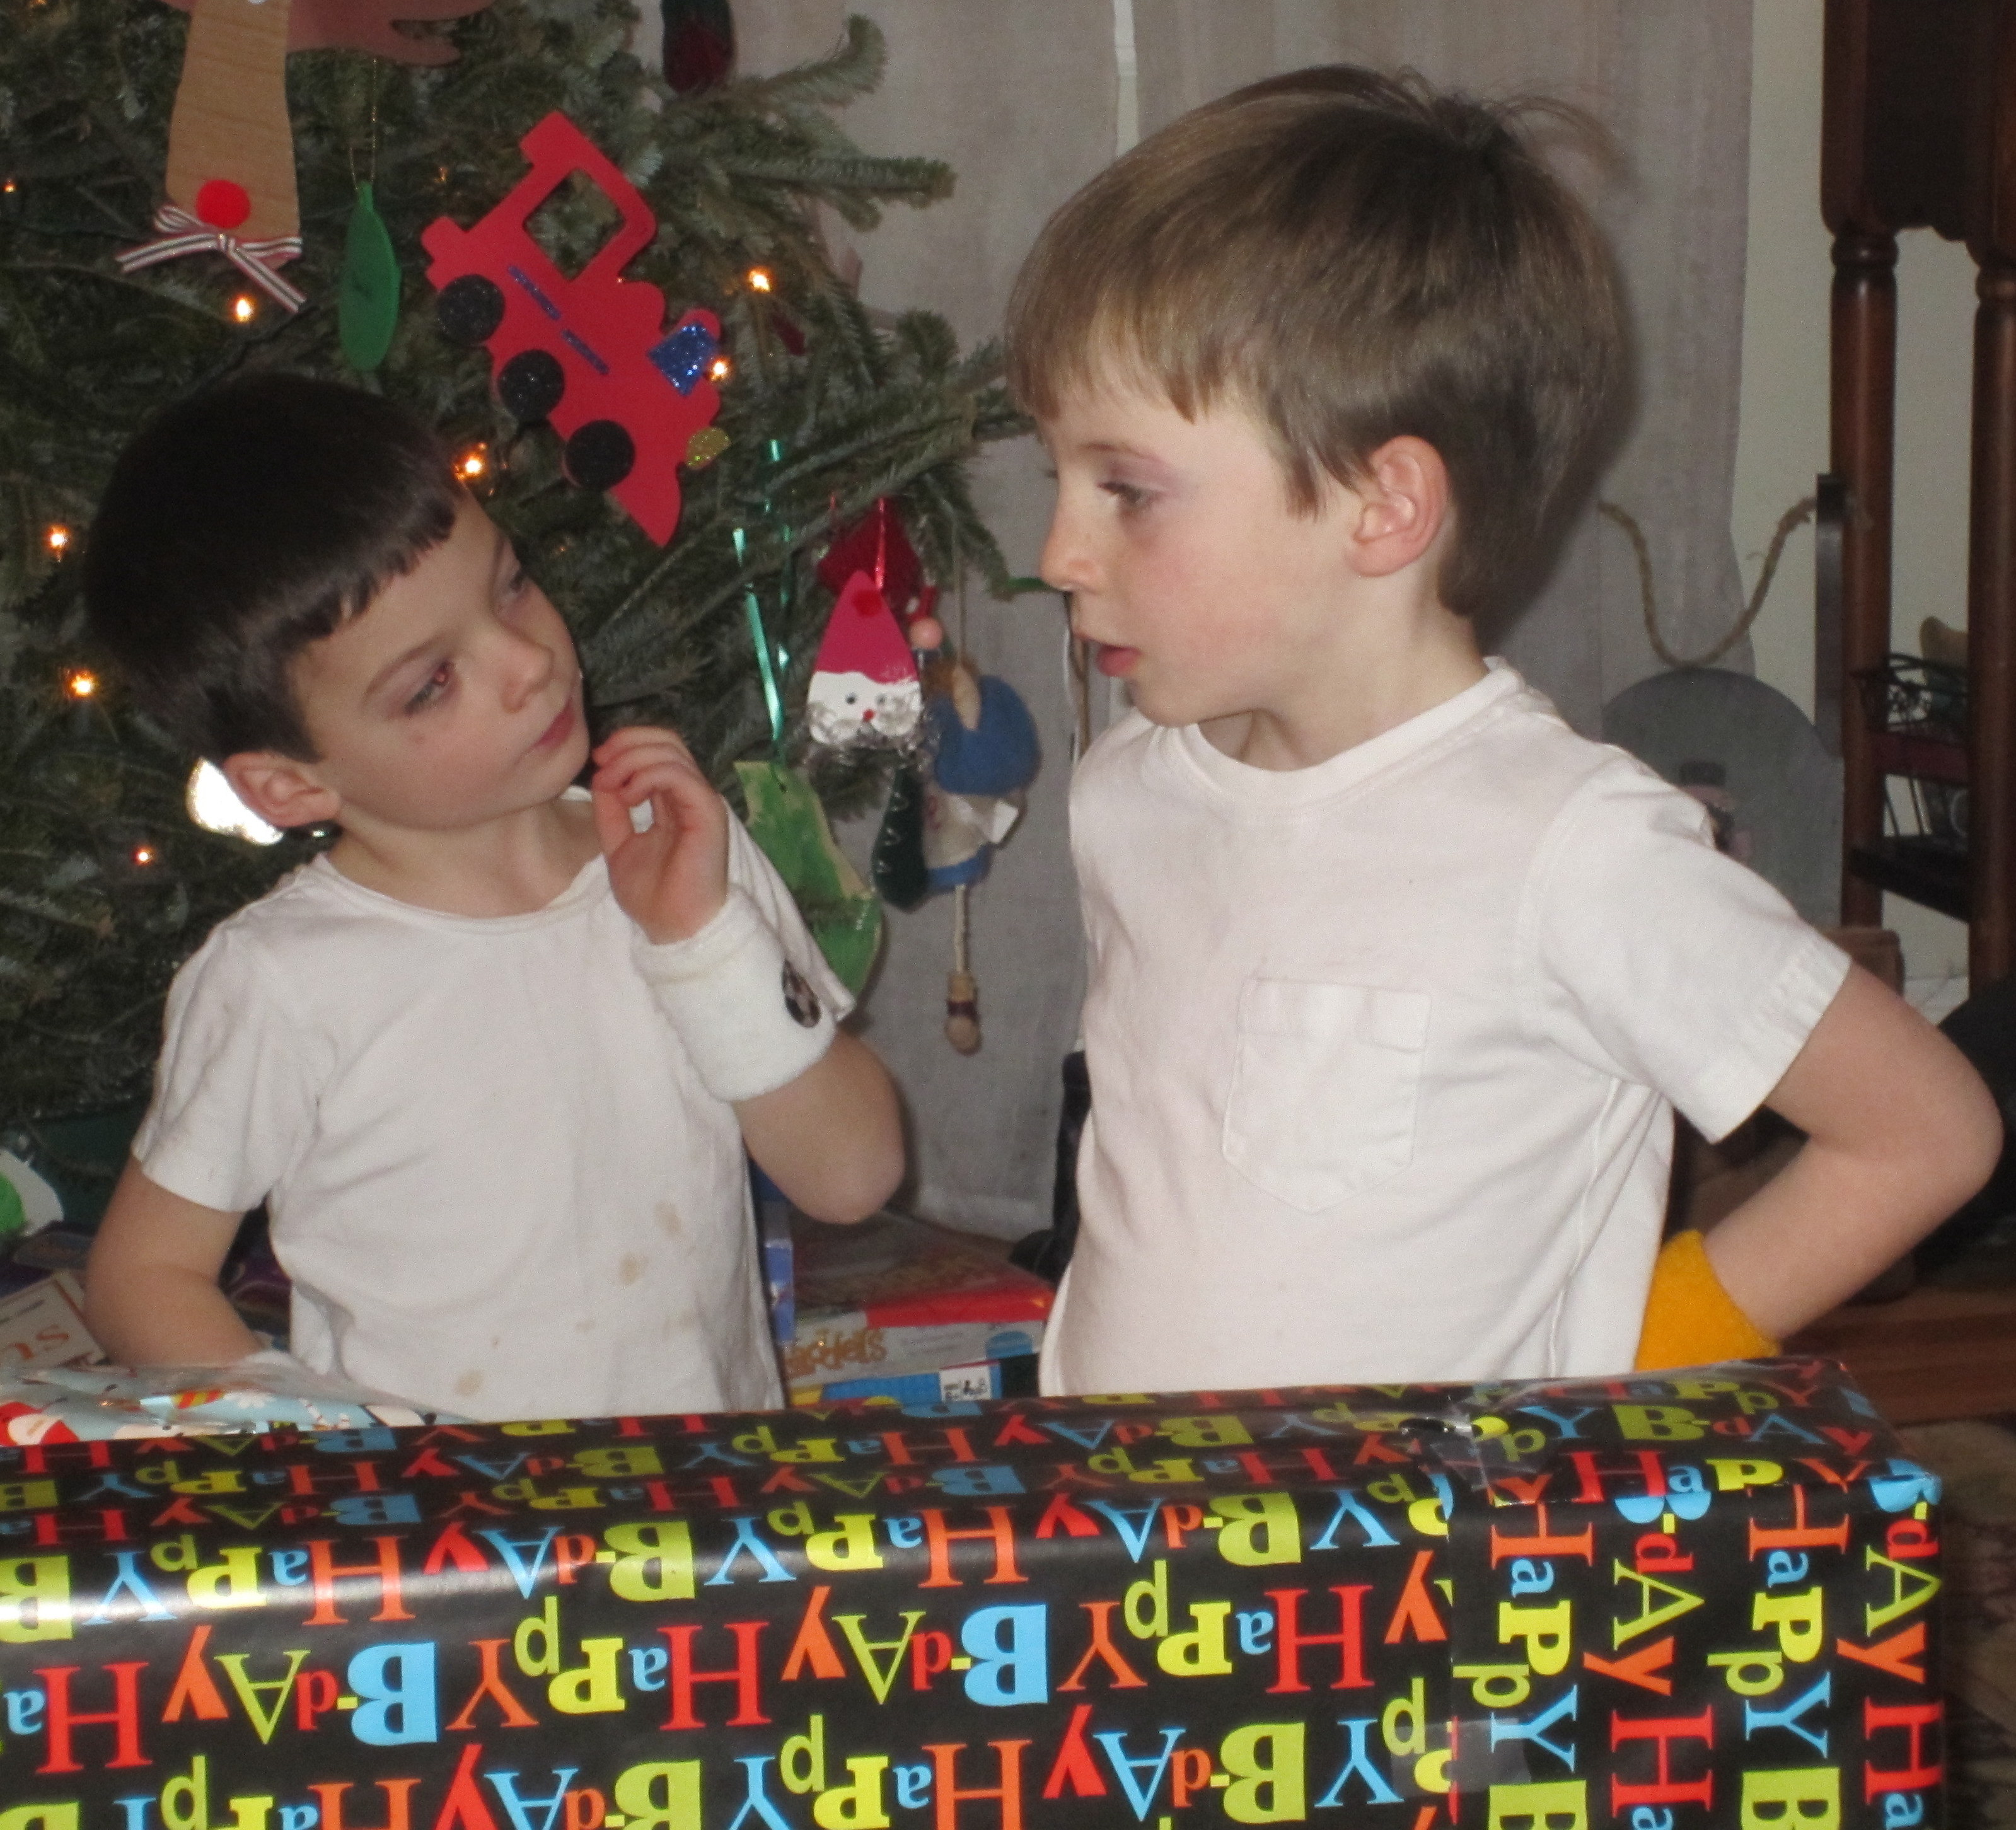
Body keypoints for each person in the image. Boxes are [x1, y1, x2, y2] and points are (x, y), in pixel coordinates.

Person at [1005, 66, 2002, 1396]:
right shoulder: (1128, 792)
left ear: (1383, 507)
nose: (1058, 552)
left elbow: (1924, 1132)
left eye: (1126, 489)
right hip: (1133, 1512)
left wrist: (1637, 1367)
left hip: (1433, 1533)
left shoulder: (1572, 851)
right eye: (1059, 477)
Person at [80, 374, 903, 1420]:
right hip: (442, 1520)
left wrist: (702, 939)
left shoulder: (678, 855)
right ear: (290, 786)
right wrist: (327, 1449)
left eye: (510, 585)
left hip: (704, 1497)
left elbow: (853, 1176)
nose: (528, 663)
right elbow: (143, 1277)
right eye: (431, 683)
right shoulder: (280, 981)